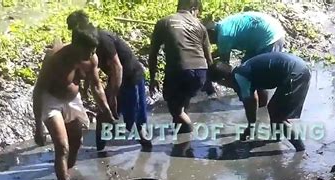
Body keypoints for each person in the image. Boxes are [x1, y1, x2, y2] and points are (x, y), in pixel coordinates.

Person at [33, 23, 114, 180]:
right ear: (76, 45)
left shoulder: (91, 58)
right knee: (62, 146)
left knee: (76, 142)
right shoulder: (54, 58)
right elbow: (38, 90)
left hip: (72, 99)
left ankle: (66, 173)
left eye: (93, 50)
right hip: (51, 100)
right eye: (88, 51)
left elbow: (96, 86)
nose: (91, 54)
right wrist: (38, 127)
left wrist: (107, 111)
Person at [66, 10, 152, 151]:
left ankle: (147, 148)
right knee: (103, 113)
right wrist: (87, 85)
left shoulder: (102, 39)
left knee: (134, 121)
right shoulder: (84, 40)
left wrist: (112, 96)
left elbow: (117, 67)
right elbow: (90, 64)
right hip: (115, 77)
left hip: (130, 77)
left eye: (74, 28)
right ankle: (100, 149)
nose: (73, 33)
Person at [209, 52, 311, 151]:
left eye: (220, 83)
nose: (225, 86)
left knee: (278, 117)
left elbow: (251, 101)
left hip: (296, 74)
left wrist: (251, 126)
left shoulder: (240, 78)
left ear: (223, 80)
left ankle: (300, 149)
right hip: (297, 68)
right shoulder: (243, 70)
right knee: (273, 109)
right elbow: (261, 92)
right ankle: (276, 139)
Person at [149, 0, 213, 134]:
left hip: (179, 70)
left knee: (176, 110)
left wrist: (152, 78)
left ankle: (187, 142)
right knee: (183, 101)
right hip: (201, 71)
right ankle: (181, 132)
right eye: (198, 12)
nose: (198, 15)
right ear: (193, 8)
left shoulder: (164, 22)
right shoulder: (200, 26)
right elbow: (208, 57)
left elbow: (153, 53)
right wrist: (210, 81)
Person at [206, 11, 286, 64]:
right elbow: (221, 51)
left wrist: (208, 63)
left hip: (271, 38)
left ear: (211, 33)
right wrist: (209, 56)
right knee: (246, 65)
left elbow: (224, 63)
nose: (208, 42)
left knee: (261, 72)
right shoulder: (223, 25)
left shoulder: (224, 36)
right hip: (269, 29)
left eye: (207, 39)